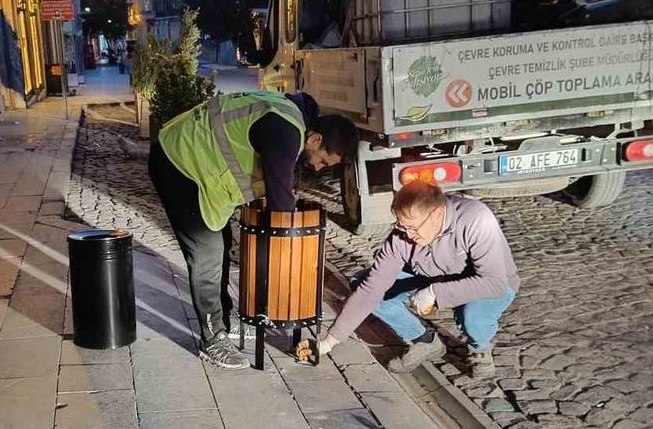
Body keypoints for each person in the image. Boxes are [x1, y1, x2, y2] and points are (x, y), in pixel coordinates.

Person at [150, 91, 359, 369]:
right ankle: (212, 338)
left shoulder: (289, 118)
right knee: (207, 253)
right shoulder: (286, 131)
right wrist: (289, 263)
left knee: (221, 243)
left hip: (197, 167)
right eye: (322, 161)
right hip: (179, 164)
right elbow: (280, 202)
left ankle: (224, 319)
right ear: (315, 139)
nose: (318, 168)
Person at [318, 183, 519, 378]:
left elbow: (495, 283)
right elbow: (371, 289)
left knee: (471, 317)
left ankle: (480, 348)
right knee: (362, 282)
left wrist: (435, 293)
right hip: (434, 274)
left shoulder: (477, 219)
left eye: (413, 228)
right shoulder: (403, 235)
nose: (407, 235)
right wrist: (330, 341)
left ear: (437, 214)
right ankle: (423, 340)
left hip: (489, 283)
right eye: (401, 225)